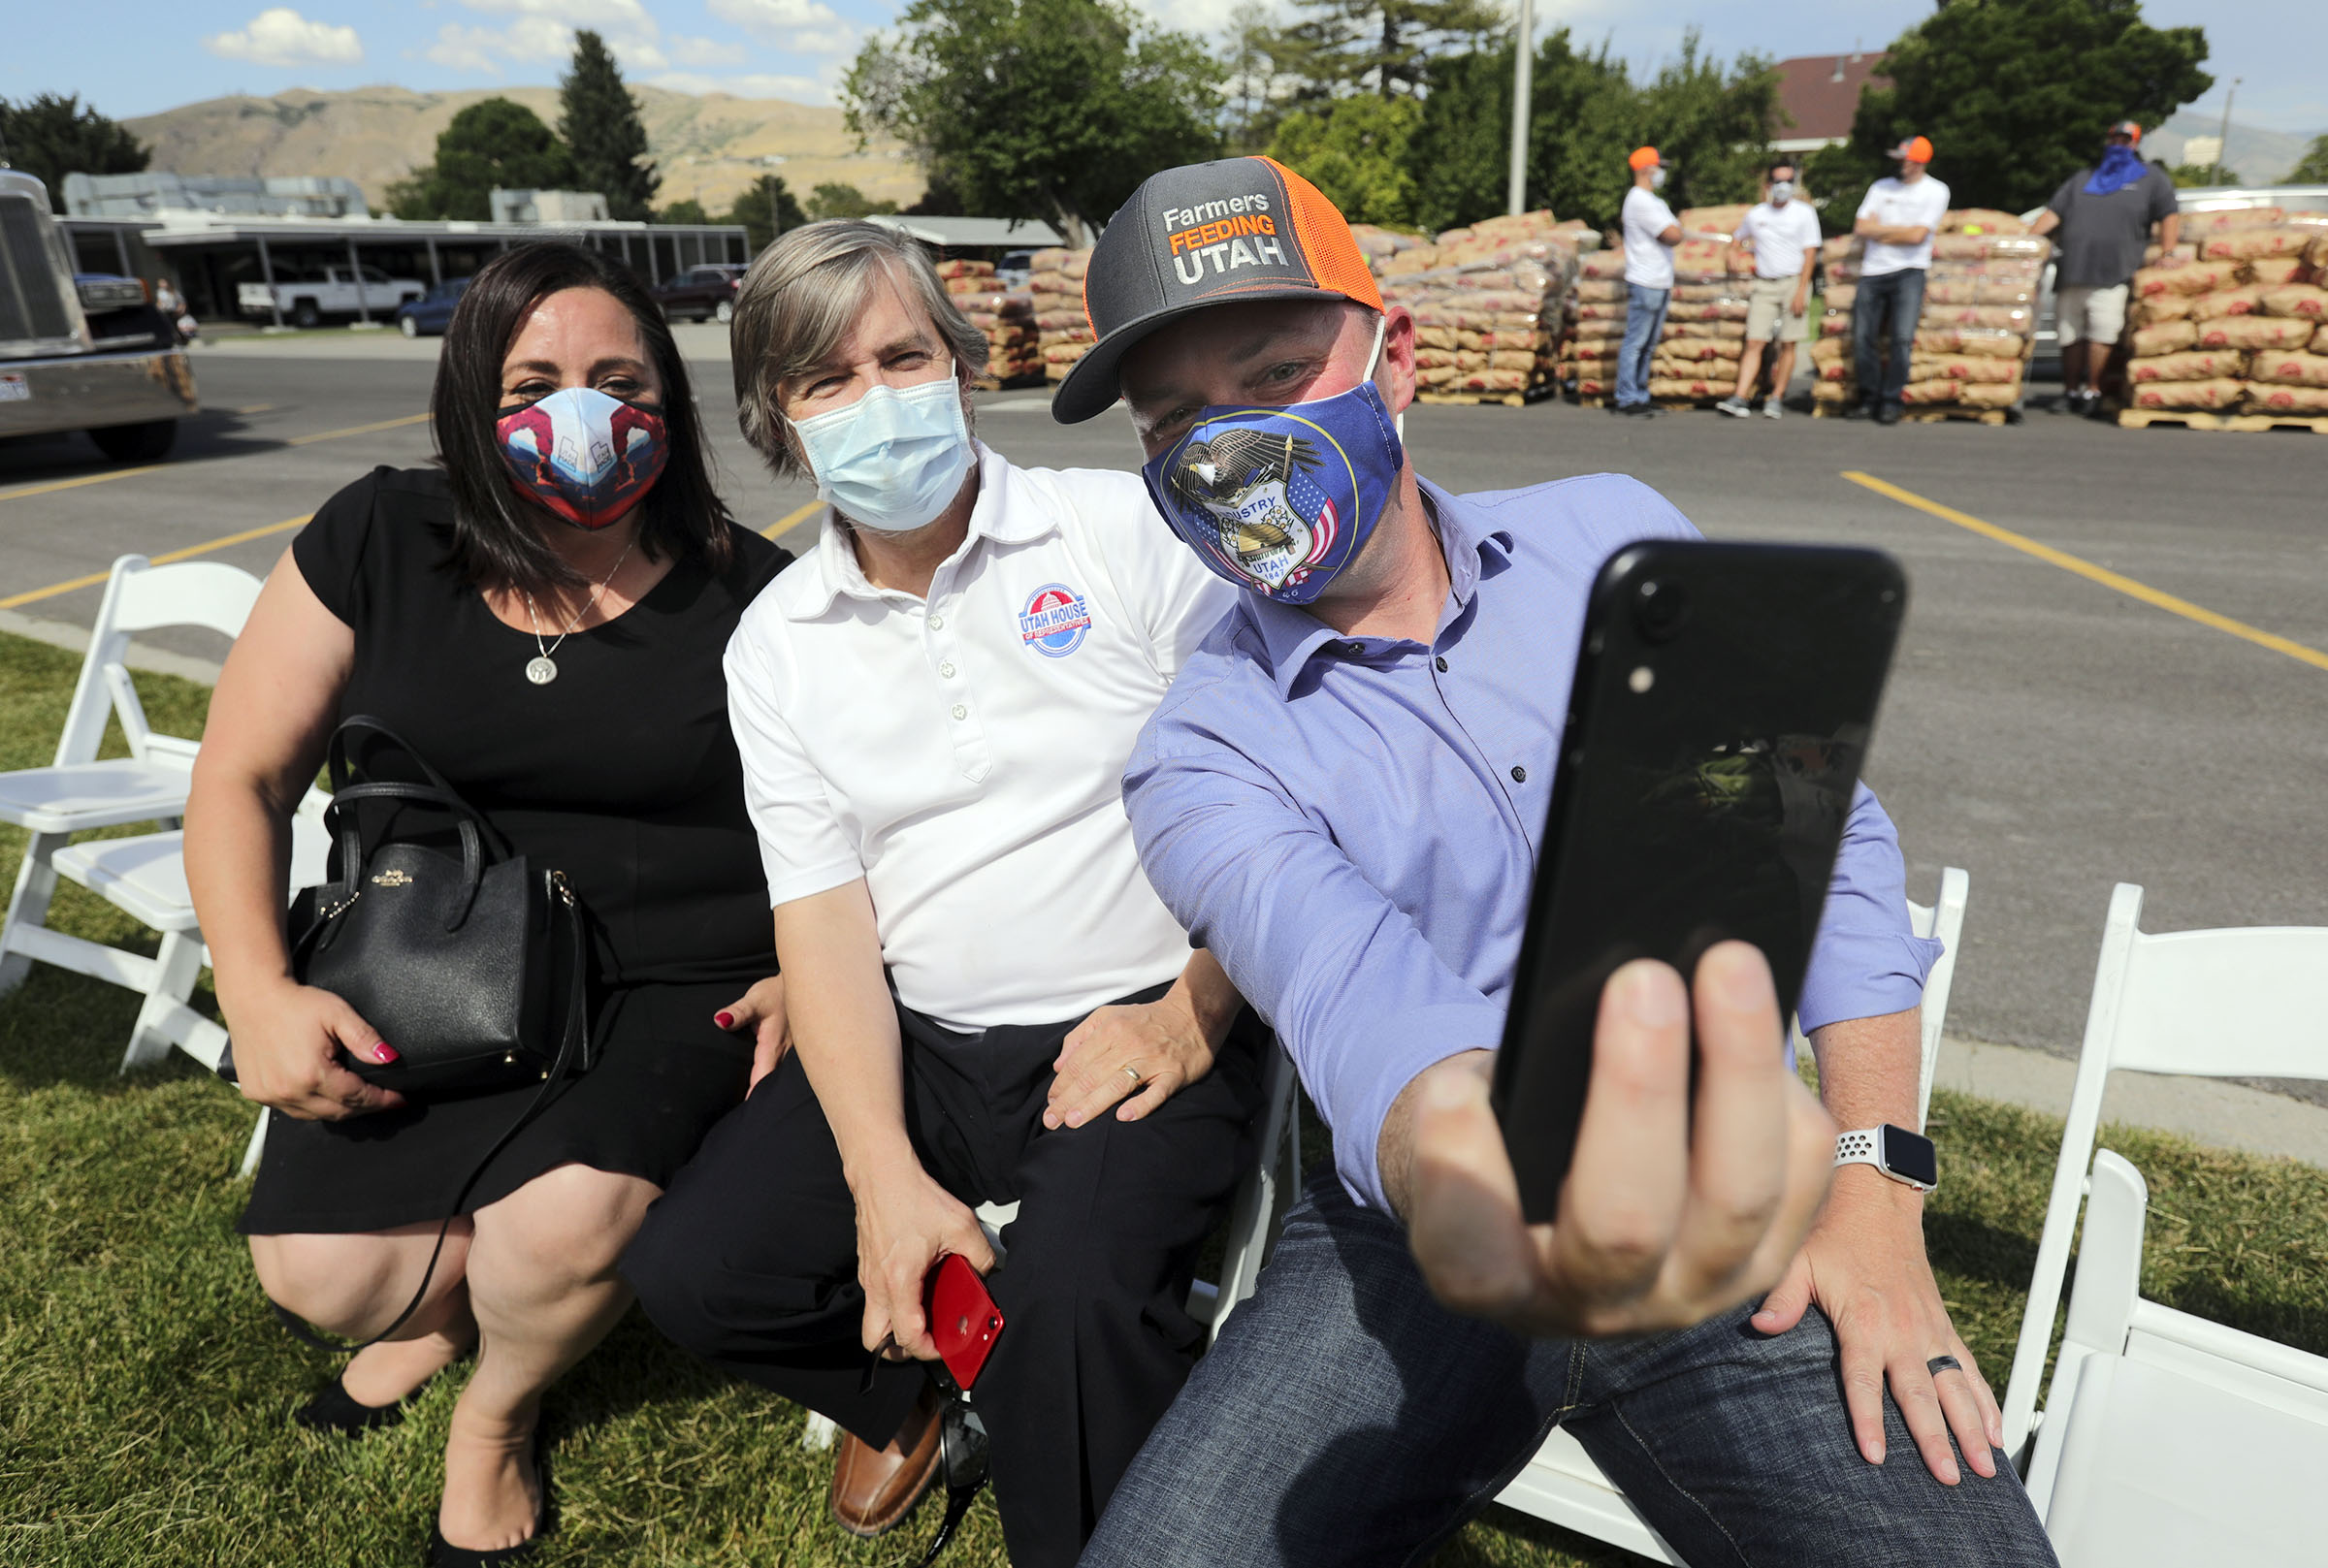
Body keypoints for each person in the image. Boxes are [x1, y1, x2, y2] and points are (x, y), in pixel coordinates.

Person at [1039, 156, 2060, 1567]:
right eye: (1175, 422)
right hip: (1414, 1247)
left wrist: (1874, 1181)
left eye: (1272, 377)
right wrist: (1461, 1154)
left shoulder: (1615, 541)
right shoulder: (1201, 753)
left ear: (1392, 357)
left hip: (1726, 1191)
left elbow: (1822, 843)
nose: (1227, 449)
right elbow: (1349, 992)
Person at [619, 219, 1263, 1568]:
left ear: (963, 368)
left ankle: (1068, 1487)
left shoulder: (1117, 534)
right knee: (693, 1270)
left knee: (1077, 1308)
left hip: (1129, 1027)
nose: (878, 398)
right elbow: (826, 919)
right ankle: (927, 1390)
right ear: (781, 427)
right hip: (917, 1038)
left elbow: (1275, 791)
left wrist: (1194, 1007)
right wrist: (882, 1181)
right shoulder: (778, 646)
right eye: (826, 379)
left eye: (902, 356)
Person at [183, 241, 789, 1567]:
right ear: (473, 397)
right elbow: (240, 774)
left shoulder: (755, 590)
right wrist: (257, 987)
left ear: (670, 408)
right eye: (539, 379)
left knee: (556, 1235)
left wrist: (810, 967)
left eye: (622, 379)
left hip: (666, 975)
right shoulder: (381, 535)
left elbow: (852, 818)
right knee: (323, 1280)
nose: (585, 414)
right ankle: (447, 1308)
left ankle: (498, 1415)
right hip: (425, 948)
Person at [2031, 120, 2181, 416]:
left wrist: (2169, 251)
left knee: (2102, 332)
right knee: (2069, 334)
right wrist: (2023, 244)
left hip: (2113, 274)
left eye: (2126, 140)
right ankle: (2070, 389)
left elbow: (2169, 215)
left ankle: (2093, 389)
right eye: (2115, 139)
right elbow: (2052, 214)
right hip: (2073, 272)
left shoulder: (2151, 178)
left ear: (2135, 144)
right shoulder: (2083, 179)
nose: (2119, 145)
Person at [1852, 135, 1952, 425]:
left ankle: (1892, 400)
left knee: (1902, 338)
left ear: (1919, 162)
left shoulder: (1935, 191)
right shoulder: (1880, 187)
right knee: (1863, 337)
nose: (1898, 163)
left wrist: (1880, 230)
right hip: (1873, 271)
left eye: (1903, 159)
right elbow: (1861, 226)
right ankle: (1869, 397)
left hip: (1910, 271)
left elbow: (1918, 236)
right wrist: (1899, 232)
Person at [1717, 161, 1823, 419]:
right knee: (1755, 340)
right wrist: (1733, 251)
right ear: (1769, 185)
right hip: (1764, 283)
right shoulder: (1757, 214)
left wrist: (1801, 291)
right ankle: (1740, 396)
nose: (1784, 186)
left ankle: (1776, 397)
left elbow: (1810, 254)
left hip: (1793, 282)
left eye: (1789, 181)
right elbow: (1738, 237)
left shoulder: (1804, 213)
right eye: (1779, 181)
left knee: (1788, 342)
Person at [1614, 144, 1682, 418]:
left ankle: (1640, 393)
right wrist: (1676, 232)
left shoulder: (1656, 201)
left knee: (1649, 344)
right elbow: (1672, 234)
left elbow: (1675, 230)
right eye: (1658, 167)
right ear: (1646, 169)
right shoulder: (1639, 200)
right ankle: (1627, 396)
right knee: (1636, 342)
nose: (1661, 173)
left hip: (1660, 280)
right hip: (1645, 281)